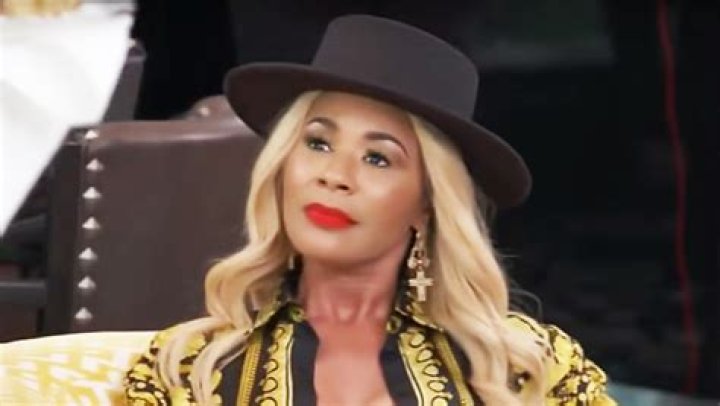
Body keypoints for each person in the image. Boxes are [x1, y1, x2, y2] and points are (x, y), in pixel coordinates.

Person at [124, 15, 616, 405]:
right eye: (317, 143)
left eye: (378, 158)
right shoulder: (190, 369)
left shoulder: (530, 366)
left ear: (427, 204)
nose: (335, 175)